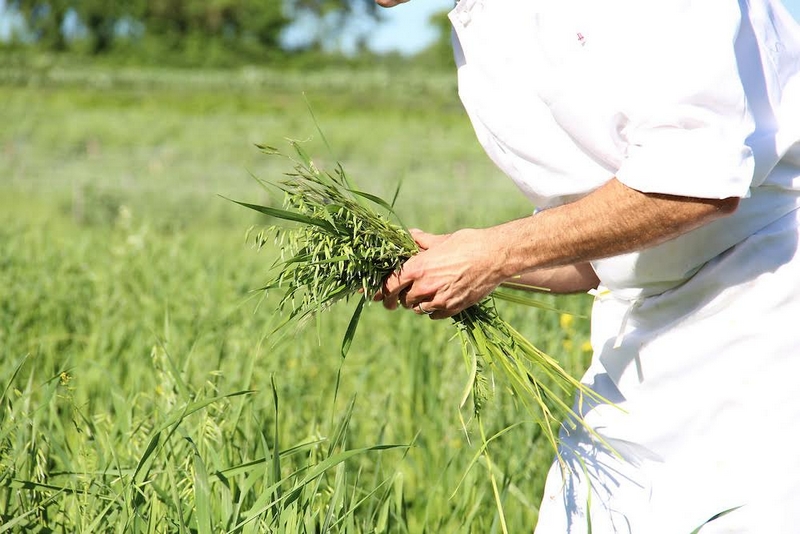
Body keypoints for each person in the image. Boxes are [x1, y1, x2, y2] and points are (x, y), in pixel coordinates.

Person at [374, 0, 800, 532]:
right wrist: (458, 260)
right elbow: (600, 253)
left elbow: (697, 184)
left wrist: (495, 253)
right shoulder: (480, 26)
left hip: (771, 297)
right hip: (644, 328)